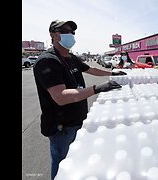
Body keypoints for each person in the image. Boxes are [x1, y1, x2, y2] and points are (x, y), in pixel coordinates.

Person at [33, 19, 126, 180]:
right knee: (62, 165)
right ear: (53, 35)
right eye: (65, 31)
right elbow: (60, 97)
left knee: (76, 161)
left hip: (77, 120)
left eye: (72, 32)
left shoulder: (71, 57)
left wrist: (112, 73)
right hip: (61, 127)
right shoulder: (47, 61)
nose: (70, 34)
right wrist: (96, 89)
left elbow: (91, 70)